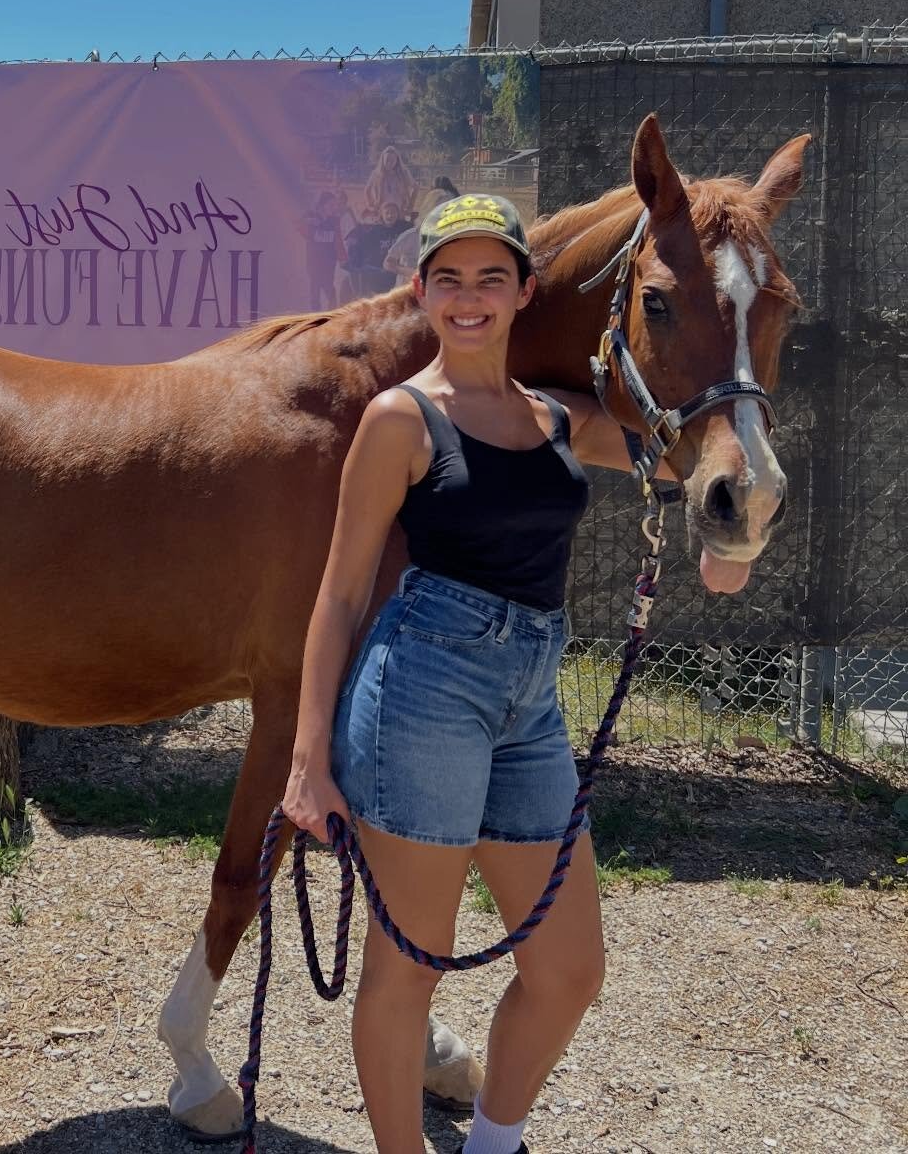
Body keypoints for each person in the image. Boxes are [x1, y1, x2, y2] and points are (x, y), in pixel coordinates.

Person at [284, 193, 646, 1154]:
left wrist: (735, 513)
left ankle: (495, 1141)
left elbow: (689, 453)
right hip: (422, 691)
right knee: (411, 966)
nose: (470, 297)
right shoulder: (400, 420)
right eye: (450, 278)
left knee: (569, 967)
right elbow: (340, 593)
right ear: (423, 291)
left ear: (527, 290)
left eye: (492, 277)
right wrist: (308, 758)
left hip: (530, 696)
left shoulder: (560, 417)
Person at [386, 177, 459, 287]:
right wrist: (409, 272)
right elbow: (388, 263)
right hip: (407, 293)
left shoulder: (451, 241)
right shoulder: (411, 236)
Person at [364, 146, 417, 223]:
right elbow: (367, 190)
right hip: (382, 212)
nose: (390, 162)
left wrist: (410, 206)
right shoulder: (376, 174)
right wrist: (371, 206)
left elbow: (415, 188)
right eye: (387, 160)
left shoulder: (403, 173)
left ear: (397, 160)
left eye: (392, 160)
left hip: (399, 212)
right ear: (383, 160)